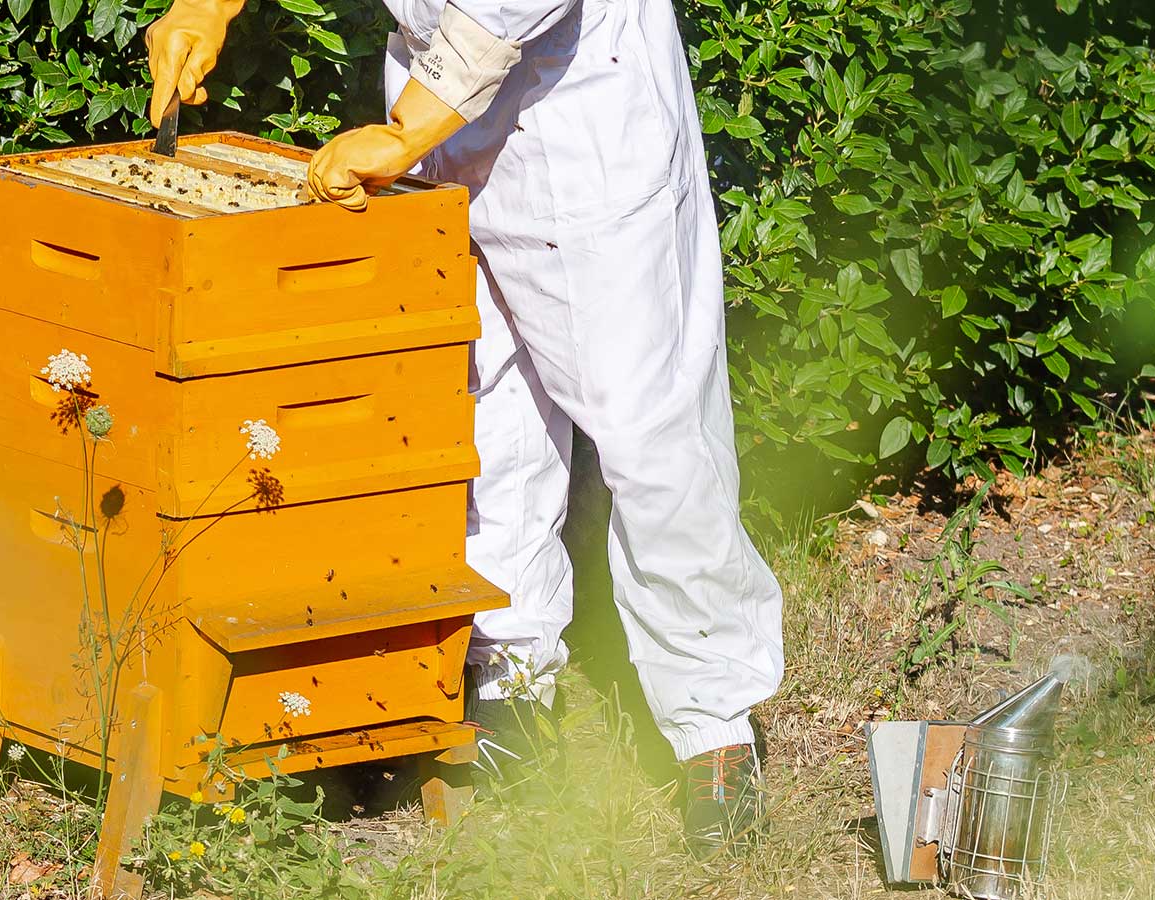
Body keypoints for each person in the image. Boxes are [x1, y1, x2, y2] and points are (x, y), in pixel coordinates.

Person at [147, 0, 784, 853]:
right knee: (483, 410)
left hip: (583, 106)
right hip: (440, 104)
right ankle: (511, 680)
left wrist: (408, 129)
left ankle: (715, 725)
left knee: (648, 432)